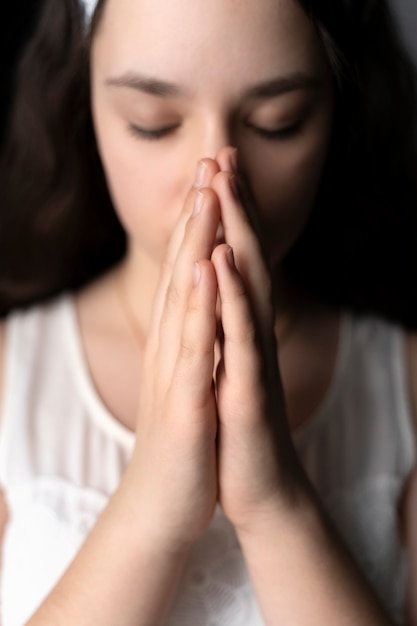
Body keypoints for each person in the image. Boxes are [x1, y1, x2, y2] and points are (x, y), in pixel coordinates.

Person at [0, 0, 416, 624]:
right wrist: (150, 509)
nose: (215, 181)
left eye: (279, 122)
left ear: (336, 107)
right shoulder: (10, 378)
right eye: (152, 123)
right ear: (84, 100)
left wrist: (275, 505)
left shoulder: (404, 383)